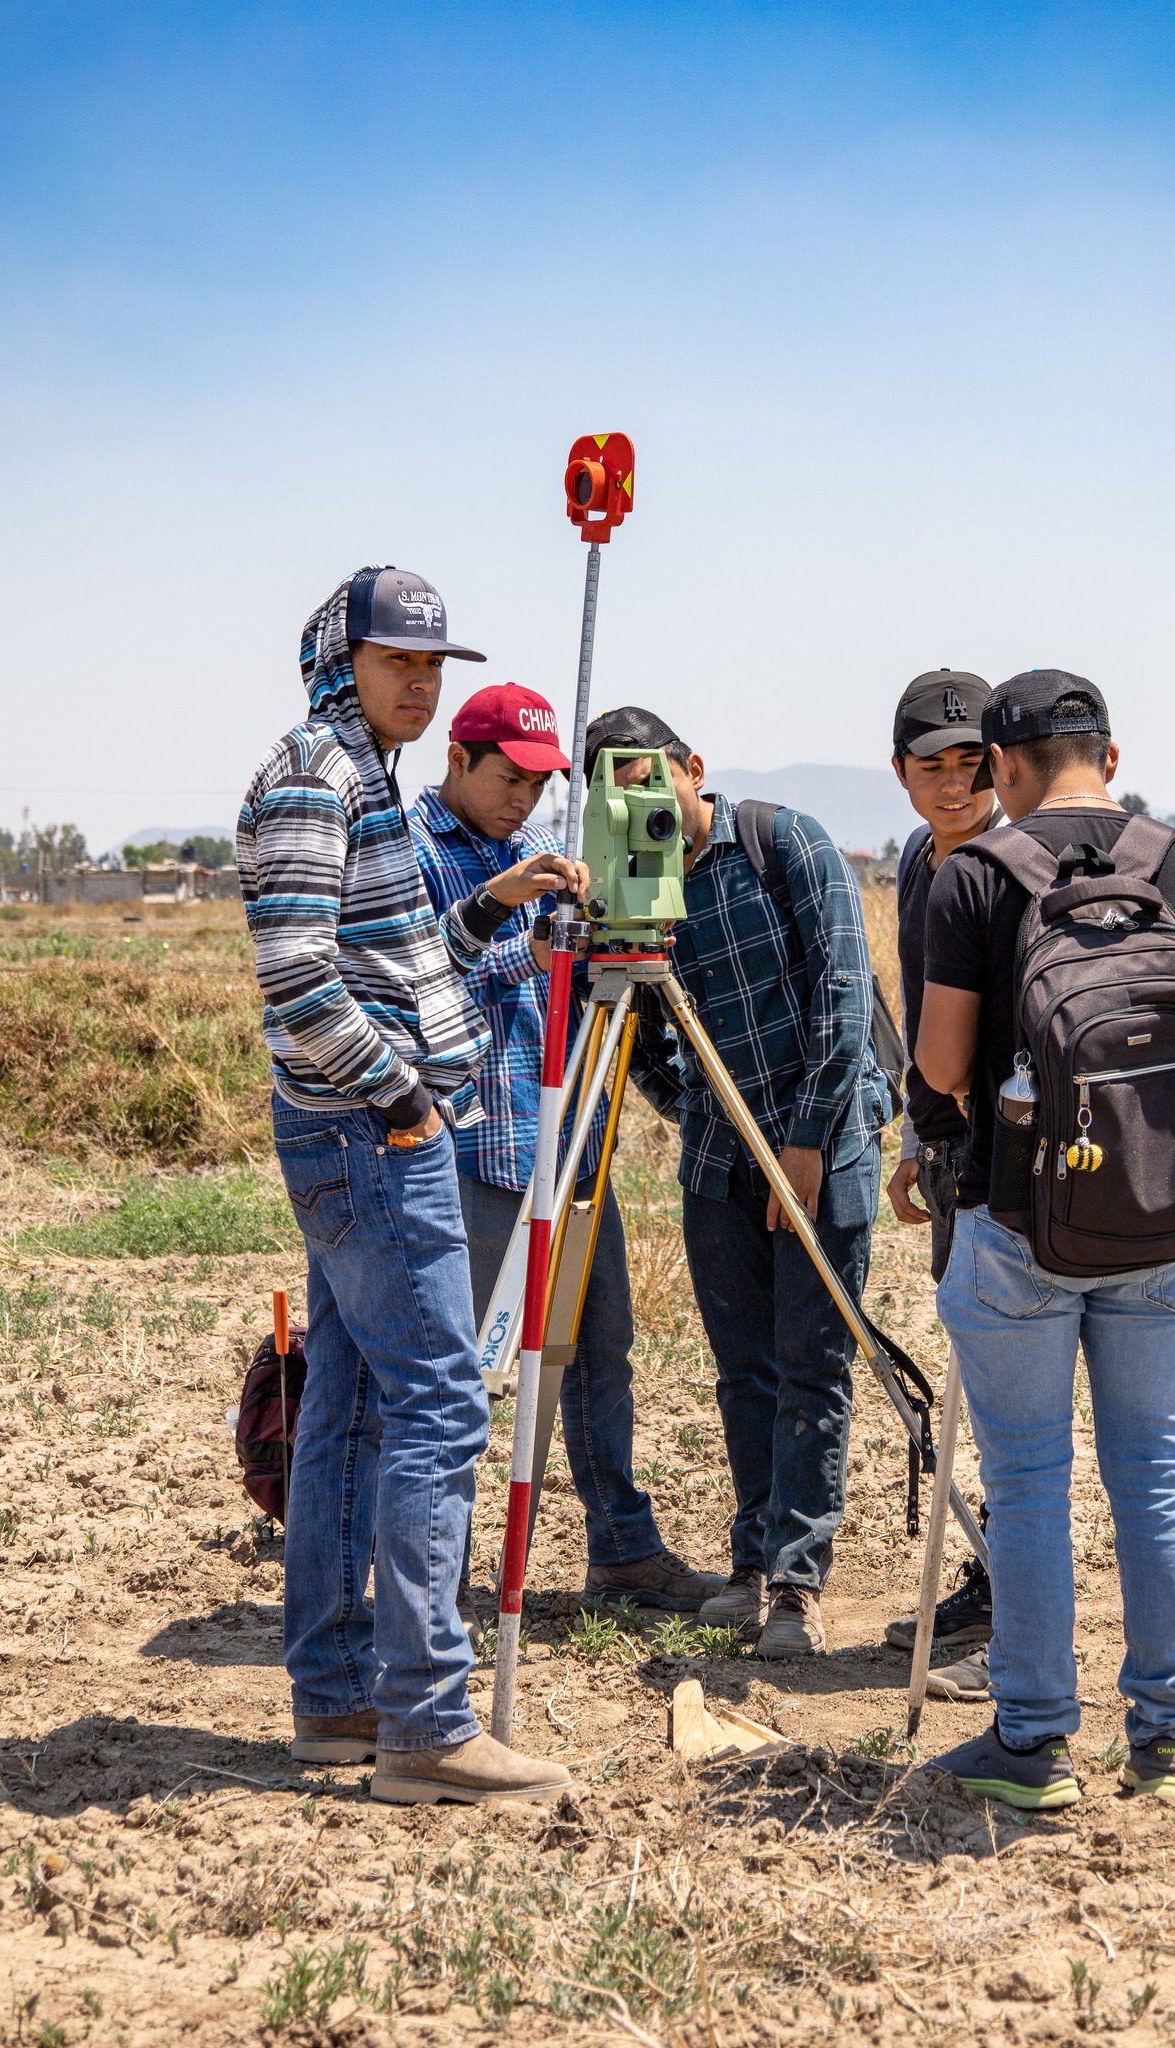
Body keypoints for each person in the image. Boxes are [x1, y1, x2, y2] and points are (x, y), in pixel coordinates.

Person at [237, 565, 586, 1806]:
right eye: (400, 662)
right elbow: (296, 978)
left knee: (348, 1408)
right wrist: (400, 1097)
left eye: (436, 665)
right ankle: (430, 1721)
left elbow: (390, 958)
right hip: (371, 1139)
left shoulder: (356, 774)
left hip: (361, 1133)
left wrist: (487, 909)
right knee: (440, 1403)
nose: (423, 684)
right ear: (340, 661)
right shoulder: (314, 777)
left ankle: (339, 1698)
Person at [915, 670, 1175, 1809]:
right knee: (1154, 1471)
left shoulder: (973, 877)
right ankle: (1167, 1737)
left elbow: (944, 1067)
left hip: (1023, 1222)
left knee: (1027, 1478)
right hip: (1165, 1222)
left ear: (1003, 769)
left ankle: (1034, 1741)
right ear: (1108, 757)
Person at [584, 707, 892, 1658]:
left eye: (647, 779)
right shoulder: (633, 881)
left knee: (811, 1364)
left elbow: (845, 995)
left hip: (824, 1145)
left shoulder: (782, 842)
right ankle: (752, 1561)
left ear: (691, 769)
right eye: (612, 789)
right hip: (719, 1163)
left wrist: (801, 1143)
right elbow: (634, 1029)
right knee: (743, 1371)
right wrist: (694, 1112)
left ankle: (797, 1585)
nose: (635, 803)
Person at [409, 682, 722, 1613]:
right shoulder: (411, 848)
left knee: (597, 1354)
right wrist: (530, 941)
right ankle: (439, 1585)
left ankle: (623, 1551)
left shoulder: (535, 853)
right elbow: (420, 972)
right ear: (459, 759)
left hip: (568, 1135)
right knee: (462, 1376)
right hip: (471, 1156)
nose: (523, 798)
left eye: (541, 783)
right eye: (509, 777)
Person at [880, 670, 1001, 1702]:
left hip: (1021, 1162)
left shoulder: (1026, 859)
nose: (954, 784)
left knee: (1011, 1388)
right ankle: (995, 1581)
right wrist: (922, 1131)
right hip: (952, 1147)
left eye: (972, 763)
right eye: (935, 766)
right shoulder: (921, 860)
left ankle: (1014, 1611)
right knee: (976, 1358)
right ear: (902, 773)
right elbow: (924, 1005)